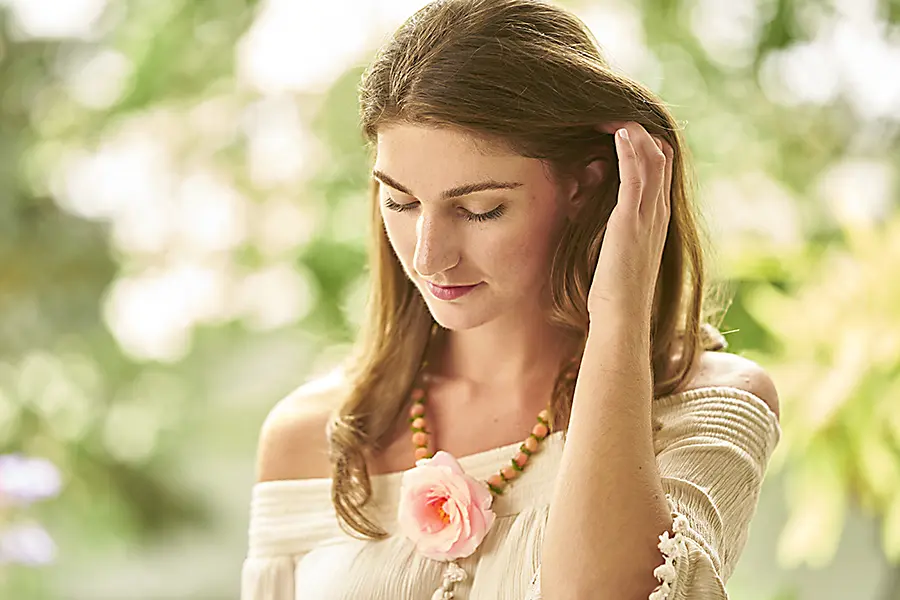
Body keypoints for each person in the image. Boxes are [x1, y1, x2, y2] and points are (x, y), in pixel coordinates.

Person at [241, 0, 782, 598]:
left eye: (480, 209)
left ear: (585, 186)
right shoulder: (310, 438)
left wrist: (618, 314)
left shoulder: (706, 405)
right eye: (401, 202)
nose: (428, 256)